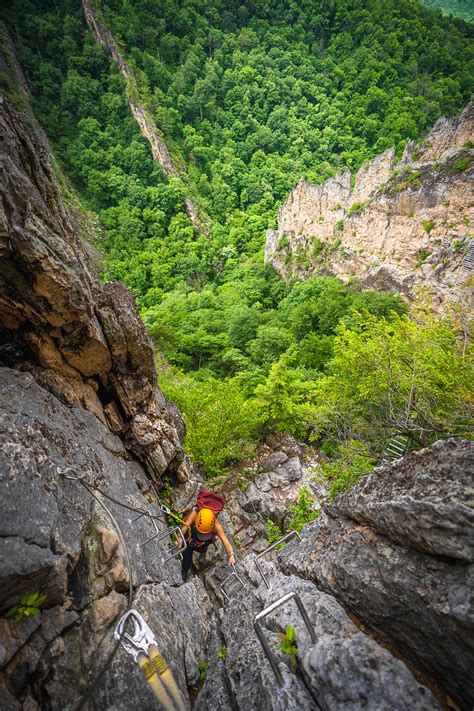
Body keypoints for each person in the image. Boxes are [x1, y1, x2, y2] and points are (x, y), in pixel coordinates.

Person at [179, 506, 236, 581]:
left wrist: (231, 555)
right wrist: (180, 538)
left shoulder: (217, 526)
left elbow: (227, 543)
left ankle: (202, 551)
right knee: (187, 557)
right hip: (191, 534)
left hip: (205, 541)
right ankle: (185, 570)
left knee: (203, 547)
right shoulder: (195, 514)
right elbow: (184, 528)